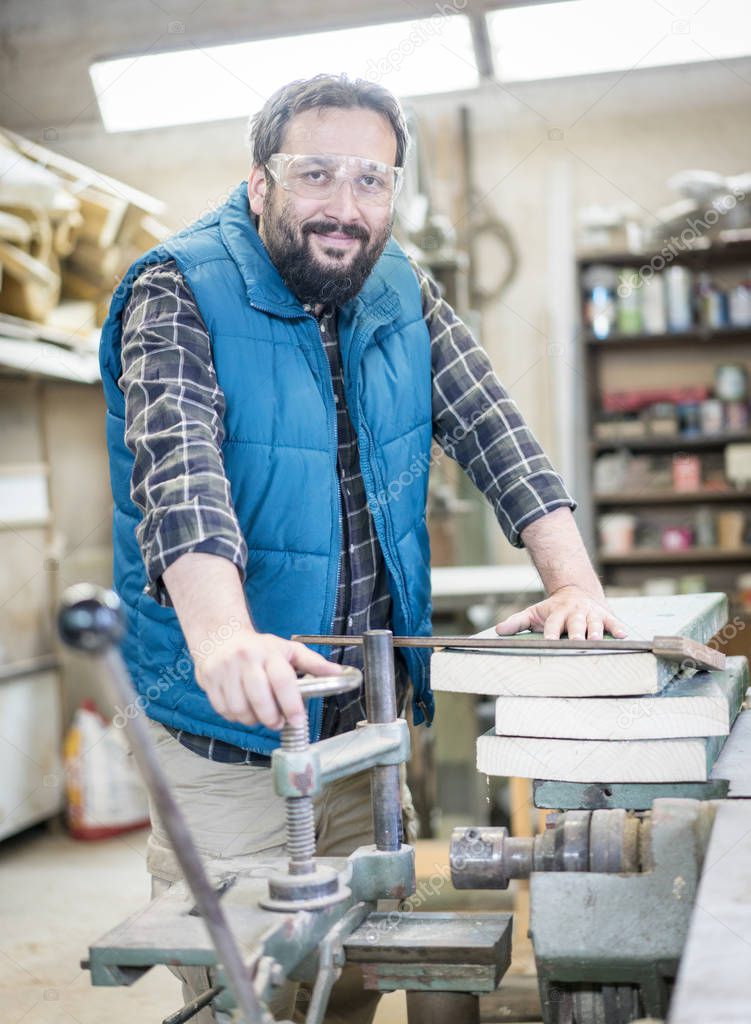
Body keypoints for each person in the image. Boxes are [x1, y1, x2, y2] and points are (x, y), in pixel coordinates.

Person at [99, 74, 625, 1023]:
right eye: (316, 176)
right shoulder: (177, 289)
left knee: (349, 981)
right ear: (259, 183)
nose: (345, 208)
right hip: (227, 738)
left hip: (365, 721)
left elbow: (493, 430)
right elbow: (179, 480)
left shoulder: (397, 285)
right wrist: (224, 640)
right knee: (254, 987)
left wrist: (574, 584)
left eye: (372, 181)